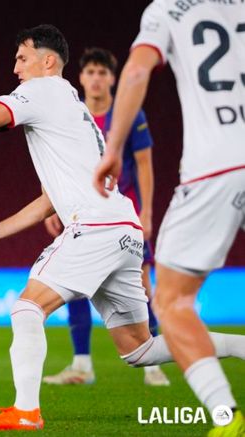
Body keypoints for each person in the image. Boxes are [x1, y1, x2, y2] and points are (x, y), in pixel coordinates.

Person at [0, 24, 245, 431]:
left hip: (95, 227)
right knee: (139, 350)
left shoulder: (43, 90)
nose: (15, 68)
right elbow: (49, 200)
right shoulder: (71, 105)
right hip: (123, 230)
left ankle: (26, 411)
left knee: (26, 309)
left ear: (47, 61)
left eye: (22, 58)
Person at [93, 1, 245, 435]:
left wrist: (113, 147)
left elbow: (136, 72)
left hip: (216, 166)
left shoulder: (168, 8)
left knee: (172, 303)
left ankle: (225, 417)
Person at [43, 47, 169, 387]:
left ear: (112, 78)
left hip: (123, 214)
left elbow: (144, 164)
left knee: (141, 286)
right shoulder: (73, 115)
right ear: (81, 78)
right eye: (91, 72)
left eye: (102, 72)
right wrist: (53, 205)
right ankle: (82, 365)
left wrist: (147, 212)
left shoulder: (128, 115)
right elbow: (58, 164)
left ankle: (153, 365)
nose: (96, 79)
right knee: (74, 284)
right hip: (81, 213)